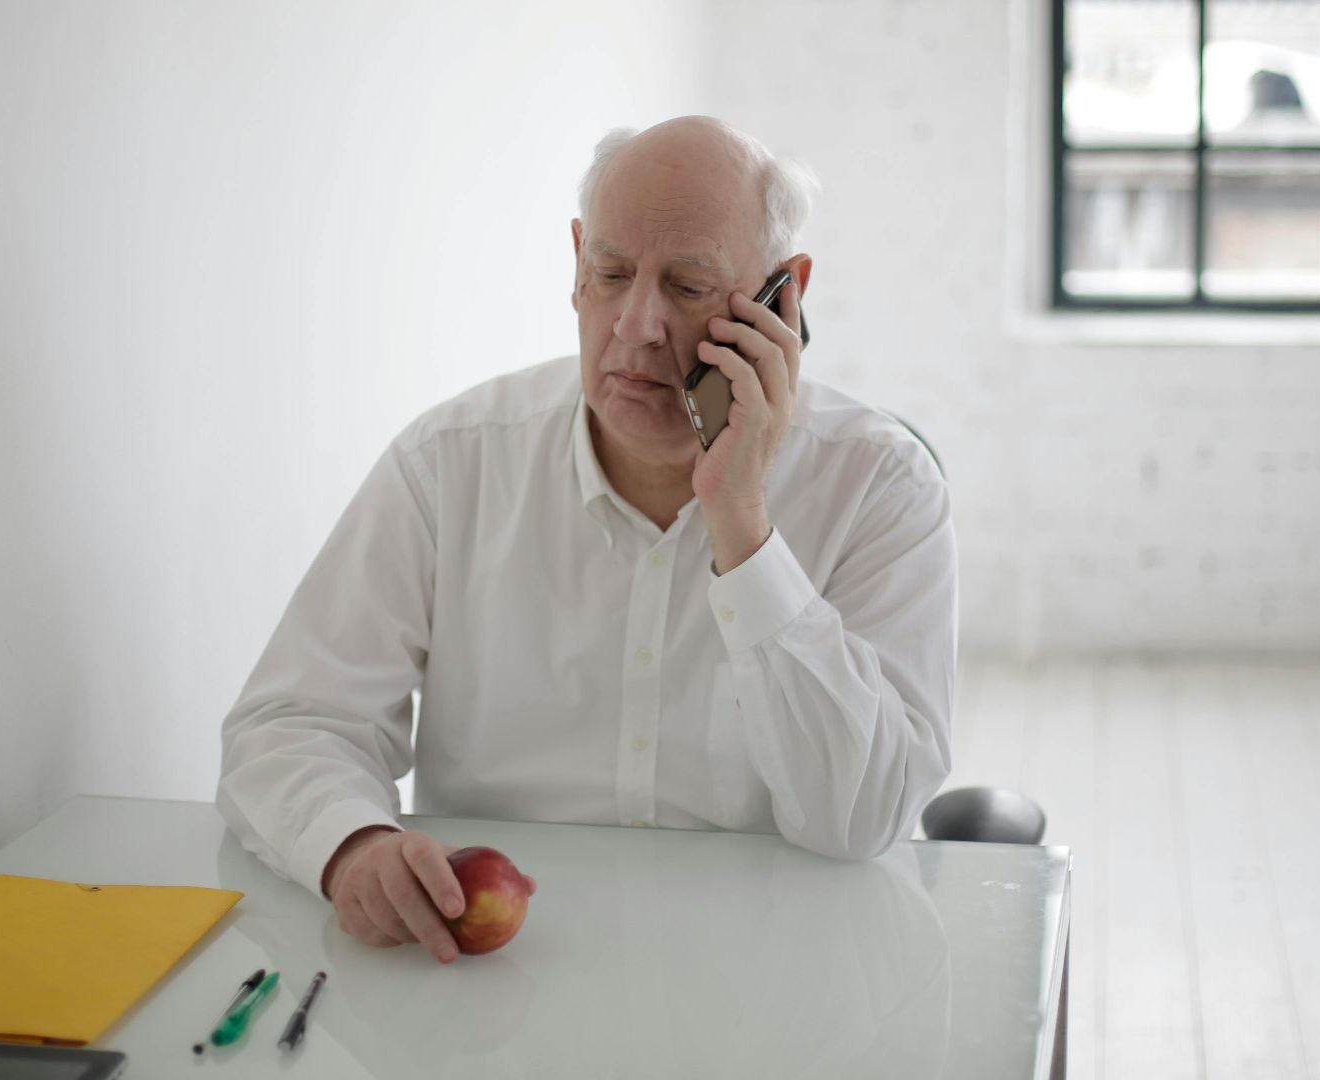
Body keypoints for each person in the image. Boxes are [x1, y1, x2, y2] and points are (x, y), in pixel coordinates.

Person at [217, 115, 956, 965]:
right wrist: (351, 846)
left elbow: (861, 817)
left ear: (783, 295)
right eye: (609, 273)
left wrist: (741, 523)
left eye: (686, 286)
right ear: (576, 265)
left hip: (773, 971)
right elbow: (290, 723)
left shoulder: (880, 485)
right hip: (495, 982)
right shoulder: (452, 464)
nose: (636, 325)